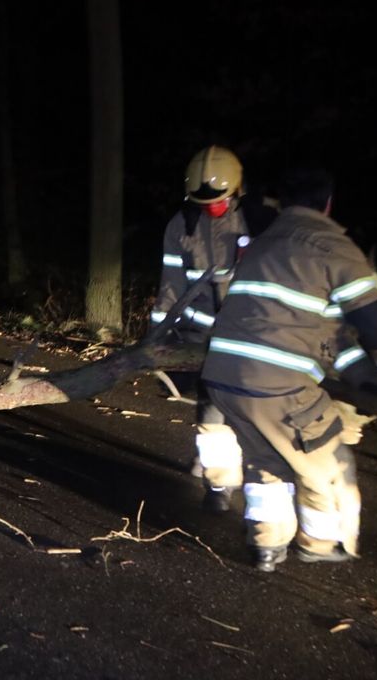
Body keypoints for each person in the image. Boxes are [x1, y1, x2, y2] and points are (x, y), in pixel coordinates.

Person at [200, 169, 377, 571]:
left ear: (283, 203)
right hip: (276, 385)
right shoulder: (335, 249)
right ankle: (322, 543)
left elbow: (330, 336)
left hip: (223, 378)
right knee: (328, 463)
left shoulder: (265, 244)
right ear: (329, 203)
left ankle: (266, 546)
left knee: (267, 458)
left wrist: (362, 379)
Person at [150, 145, 276, 512]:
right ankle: (219, 484)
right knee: (211, 410)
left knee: (260, 412)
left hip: (256, 335)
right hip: (202, 337)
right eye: (204, 202)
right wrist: (159, 341)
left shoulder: (263, 220)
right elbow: (169, 287)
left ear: (238, 190)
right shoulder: (181, 227)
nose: (212, 208)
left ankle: (265, 485)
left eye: (219, 200)